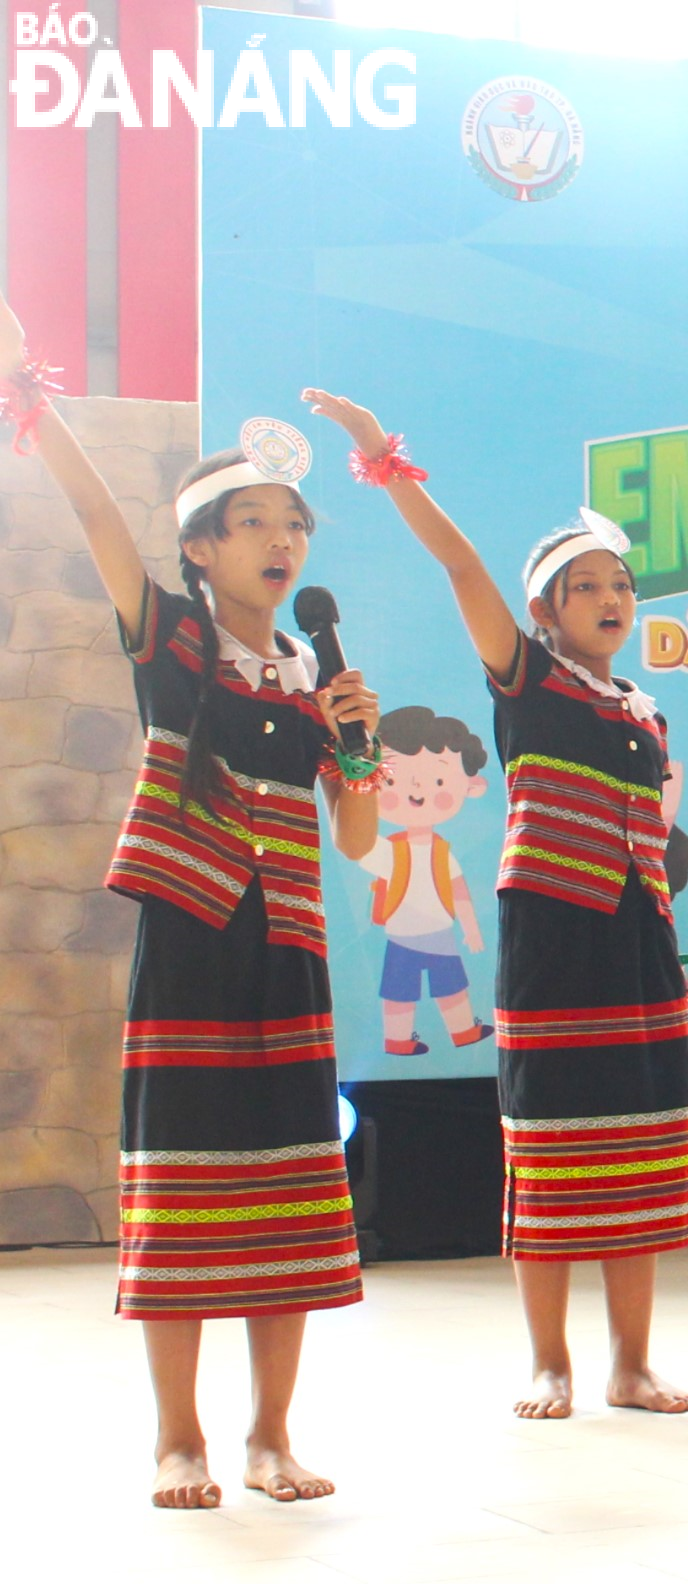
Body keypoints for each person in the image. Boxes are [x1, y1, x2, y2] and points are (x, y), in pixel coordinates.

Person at [3, 296, 382, 1507]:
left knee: (286, 1184)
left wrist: (360, 751)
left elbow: (363, 838)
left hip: (293, 954)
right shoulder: (168, 641)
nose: (280, 540)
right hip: (193, 942)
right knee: (181, 1182)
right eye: (251, 520)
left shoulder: (317, 680)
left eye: (294, 524)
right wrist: (33, 401)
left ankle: (273, 1435)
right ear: (202, 550)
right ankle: (181, 1438)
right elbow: (105, 527)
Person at [306, 390, 688, 1419]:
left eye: (619, 583)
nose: (609, 596)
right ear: (544, 610)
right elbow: (462, 567)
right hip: (552, 935)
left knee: (640, 1142)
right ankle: (551, 1363)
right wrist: (382, 458)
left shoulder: (643, 711)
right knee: (553, 1143)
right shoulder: (526, 680)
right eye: (583, 586)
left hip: (638, 941)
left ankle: (631, 1363)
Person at [360, 705, 492, 1055]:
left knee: (452, 987)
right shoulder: (388, 850)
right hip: (400, 935)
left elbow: (460, 890)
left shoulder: (443, 851)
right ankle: (398, 1040)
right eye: (393, 780)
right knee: (398, 993)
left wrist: (472, 928)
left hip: (440, 933)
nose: (417, 790)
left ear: (472, 786)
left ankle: (464, 1031)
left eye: (438, 780)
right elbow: (356, 845)